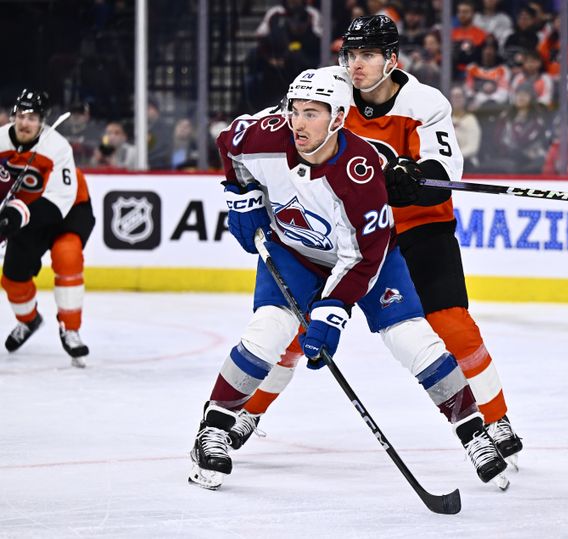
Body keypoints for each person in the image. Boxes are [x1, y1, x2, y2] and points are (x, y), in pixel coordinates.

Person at [188, 67, 508, 490]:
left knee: (414, 338)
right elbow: (230, 144)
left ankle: (473, 432)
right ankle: (213, 429)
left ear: (338, 118)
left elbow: (362, 258)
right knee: (269, 330)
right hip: (295, 253)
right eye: (294, 111)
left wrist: (331, 312)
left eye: (312, 114)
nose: (298, 123)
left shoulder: (361, 174)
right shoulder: (267, 135)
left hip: (365, 259)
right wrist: (241, 197)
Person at [0, 89, 95, 367]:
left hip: (69, 208)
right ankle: (29, 321)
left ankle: (71, 330)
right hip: (25, 212)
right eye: (20, 115)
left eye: (31, 117)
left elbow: (58, 201)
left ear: (42, 120)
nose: (24, 122)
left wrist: (13, 216)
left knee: (68, 255)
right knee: (13, 277)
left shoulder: (57, 147)